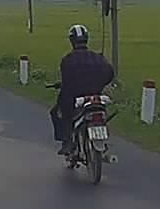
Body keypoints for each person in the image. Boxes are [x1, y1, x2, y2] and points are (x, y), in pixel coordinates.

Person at [49, 24, 116, 155]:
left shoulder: (68, 60)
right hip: (96, 95)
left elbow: (67, 82)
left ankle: (67, 141)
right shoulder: (98, 57)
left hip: (76, 97)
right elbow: (110, 74)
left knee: (57, 112)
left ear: (72, 40)